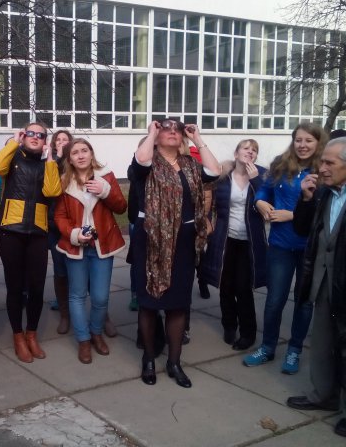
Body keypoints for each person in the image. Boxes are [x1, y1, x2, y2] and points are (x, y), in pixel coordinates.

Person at [131, 119, 220, 388]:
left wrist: (198, 138)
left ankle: (174, 361)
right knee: (148, 303)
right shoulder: (146, 164)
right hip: (151, 241)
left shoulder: (191, 165)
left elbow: (214, 171)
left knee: (178, 304)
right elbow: (141, 160)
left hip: (183, 242)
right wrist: (151, 133)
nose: (172, 131)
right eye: (166, 127)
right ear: (157, 134)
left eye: (177, 129)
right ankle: (148, 358)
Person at [243, 123, 327, 374]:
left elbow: (326, 208)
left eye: (308, 140)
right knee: (274, 300)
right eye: (298, 140)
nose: (302, 145)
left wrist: (292, 214)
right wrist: (259, 201)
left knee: (304, 301)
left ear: (318, 143)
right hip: (280, 244)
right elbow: (265, 189)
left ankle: (294, 350)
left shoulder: (324, 170)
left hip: (309, 247)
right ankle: (267, 347)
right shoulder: (281, 164)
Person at [286, 137, 346, 438]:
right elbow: (301, 229)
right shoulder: (323, 192)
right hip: (324, 282)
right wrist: (306, 199)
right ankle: (323, 395)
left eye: (329, 163)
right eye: (322, 162)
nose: (321, 168)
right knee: (322, 342)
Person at [0, 122, 61, 363]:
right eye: (31, 133)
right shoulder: (13, 157)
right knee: (15, 287)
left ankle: (32, 334)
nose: (35, 137)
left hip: (38, 232)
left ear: (45, 141)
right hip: (11, 231)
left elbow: (52, 191)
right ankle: (18, 336)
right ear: (23, 135)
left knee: (37, 287)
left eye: (41, 135)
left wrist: (50, 159)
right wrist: (13, 142)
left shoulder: (47, 164)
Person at [54, 139, 126, 363]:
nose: (81, 155)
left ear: (91, 153)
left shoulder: (106, 177)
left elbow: (121, 207)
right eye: (75, 152)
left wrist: (106, 191)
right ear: (69, 159)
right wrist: (74, 234)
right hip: (76, 246)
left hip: (102, 245)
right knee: (76, 295)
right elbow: (59, 216)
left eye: (84, 150)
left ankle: (96, 332)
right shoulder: (64, 182)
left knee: (100, 297)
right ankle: (84, 340)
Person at [198, 140, 268, 351]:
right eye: (246, 148)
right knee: (226, 285)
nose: (250, 152)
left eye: (254, 150)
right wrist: (206, 220)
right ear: (236, 153)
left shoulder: (263, 176)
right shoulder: (223, 176)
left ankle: (248, 333)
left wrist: (255, 181)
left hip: (250, 241)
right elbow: (206, 198)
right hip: (225, 239)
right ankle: (229, 325)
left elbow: (269, 202)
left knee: (243, 287)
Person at [48, 129, 73, 334]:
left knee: (82, 269)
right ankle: (65, 313)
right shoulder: (49, 163)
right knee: (60, 269)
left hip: (75, 224)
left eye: (65, 140)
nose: (62, 143)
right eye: (58, 140)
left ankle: (103, 314)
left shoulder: (75, 162)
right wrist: (54, 158)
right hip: (54, 225)